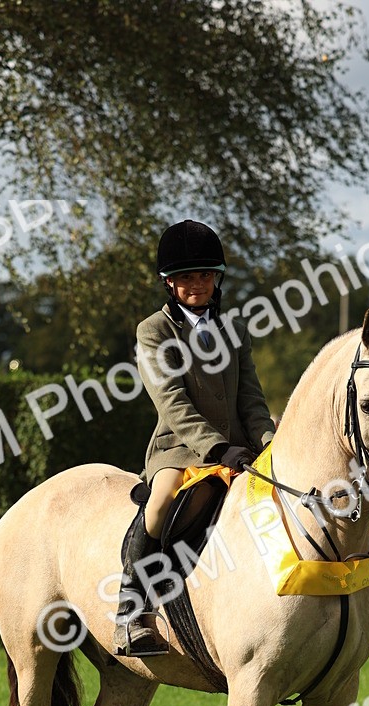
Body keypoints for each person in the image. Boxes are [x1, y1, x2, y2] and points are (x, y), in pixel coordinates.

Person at [113, 219, 276, 657]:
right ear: (170, 283)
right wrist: (216, 448)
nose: (197, 285)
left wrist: (268, 442)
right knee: (162, 499)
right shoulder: (154, 331)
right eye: (187, 277)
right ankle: (131, 609)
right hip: (180, 448)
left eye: (205, 275)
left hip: (239, 450)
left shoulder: (234, 329)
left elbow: (251, 397)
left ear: (216, 278)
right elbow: (171, 400)